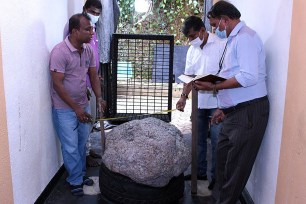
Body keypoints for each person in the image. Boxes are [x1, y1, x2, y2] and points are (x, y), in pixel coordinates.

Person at [194, 1, 270, 203]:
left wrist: (215, 87)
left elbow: (248, 77)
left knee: (235, 171)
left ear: (225, 20)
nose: (214, 29)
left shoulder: (245, 38)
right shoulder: (233, 39)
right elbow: (232, 73)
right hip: (234, 113)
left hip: (249, 114)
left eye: (215, 25)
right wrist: (223, 108)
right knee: (223, 166)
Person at [50, 13, 106, 196]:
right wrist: (76, 109)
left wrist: (99, 98)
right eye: (88, 29)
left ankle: (80, 175)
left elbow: (93, 76)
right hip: (64, 108)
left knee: (82, 143)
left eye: (92, 28)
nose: (92, 32)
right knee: (70, 146)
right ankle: (74, 179)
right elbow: (57, 84)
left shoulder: (88, 50)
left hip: (83, 104)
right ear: (75, 31)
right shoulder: (60, 52)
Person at [176, 16, 226, 190]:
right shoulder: (192, 50)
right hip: (198, 102)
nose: (190, 40)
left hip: (217, 102)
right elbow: (188, 76)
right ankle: (199, 172)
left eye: (192, 36)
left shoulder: (221, 46)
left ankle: (216, 178)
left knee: (217, 140)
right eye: (188, 38)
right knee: (197, 140)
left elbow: (226, 75)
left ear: (202, 31)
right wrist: (183, 97)